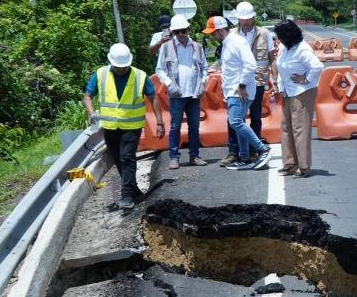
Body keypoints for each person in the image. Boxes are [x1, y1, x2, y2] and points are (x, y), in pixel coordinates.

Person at [83, 43, 163, 210]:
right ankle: (134, 191)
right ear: (111, 62)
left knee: (127, 157)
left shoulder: (140, 76)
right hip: (110, 127)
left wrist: (160, 122)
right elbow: (88, 96)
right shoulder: (100, 74)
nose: (122, 70)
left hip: (132, 126)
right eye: (118, 67)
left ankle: (126, 196)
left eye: (124, 66)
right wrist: (91, 112)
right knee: (119, 160)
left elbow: (153, 97)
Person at [203, 15, 272, 171]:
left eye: (213, 33)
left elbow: (251, 65)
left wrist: (241, 85)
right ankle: (245, 157)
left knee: (235, 122)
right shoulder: (228, 43)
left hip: (240, 91)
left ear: (220, 30)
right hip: (234, 90)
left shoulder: (236, 42)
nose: (212, 37)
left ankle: (262, 149)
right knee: (237, 123)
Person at [223, 1, 277, 165]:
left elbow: (271, 58)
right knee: (234, 119)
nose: (245, 22)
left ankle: (253, 151)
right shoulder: (232, 34)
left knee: (255, 117)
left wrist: (274, 80)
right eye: (242, 19)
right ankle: (234, 151)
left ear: (253, 17)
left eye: (248, 18)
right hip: (238, 84)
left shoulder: (265, 34)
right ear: (238, 19)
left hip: (258, 81)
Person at [155, 14, 208, 169]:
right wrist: (169, 84)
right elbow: (160, 69)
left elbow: (204, 68)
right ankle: (174, 157)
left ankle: (194, 155)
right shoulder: (166, 47)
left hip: (194, 93)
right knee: (175, 126)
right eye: (176, 32)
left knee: (194, 126)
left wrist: (202, 83)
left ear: (188, 29)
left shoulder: (197, 47)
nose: (180, 35)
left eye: (183, 31)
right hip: (177, 94)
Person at [272, 20, 323, 178]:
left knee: (300, 129)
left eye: (280, 35)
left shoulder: (302, 49)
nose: (278, 39)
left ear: (288, 35)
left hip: (302, 92)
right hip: (288, 92)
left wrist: (306, 79)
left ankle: (304, 166)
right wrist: (278, 87)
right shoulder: (284, 48)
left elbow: (318, 66)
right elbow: (280, 68)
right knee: (286, 127)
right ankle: (290, 163)